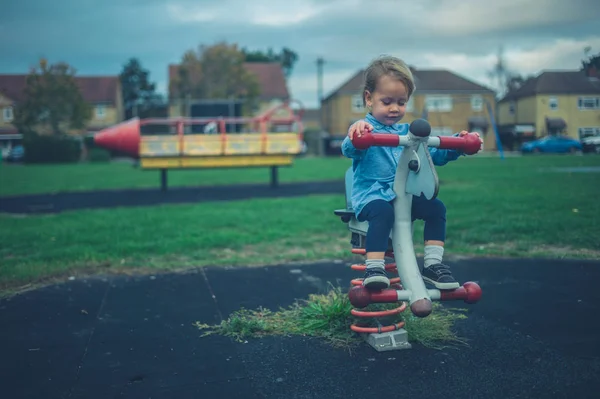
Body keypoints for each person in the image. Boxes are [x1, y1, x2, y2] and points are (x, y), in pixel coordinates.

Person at [341, 55, 482, 291]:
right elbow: (349, 148)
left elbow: (432, 156)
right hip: (372, 197)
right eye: (387, 101)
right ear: (368, 98)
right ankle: (374, 267)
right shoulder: (364, 130)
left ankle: (433, 265)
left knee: (436, 208)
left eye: (401, 102)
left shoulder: (410, 133)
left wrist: (458, 144)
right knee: (382, 211)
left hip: (404, 198)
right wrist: (355, 134)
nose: (395, 108)